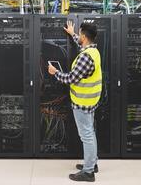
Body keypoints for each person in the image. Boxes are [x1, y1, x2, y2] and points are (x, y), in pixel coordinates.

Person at [48, 21, 101, 182]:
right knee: (90, 132)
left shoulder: (86, 57)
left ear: (84, 37)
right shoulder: (93, 50)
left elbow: (71, 78)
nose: (79, 36)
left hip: (82, 102)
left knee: (86, 135)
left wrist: (55, 72)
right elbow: (82, 47)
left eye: (79, 34)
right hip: (91, 100)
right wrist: (72, 34)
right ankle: (93, 163)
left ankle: (88, 172)